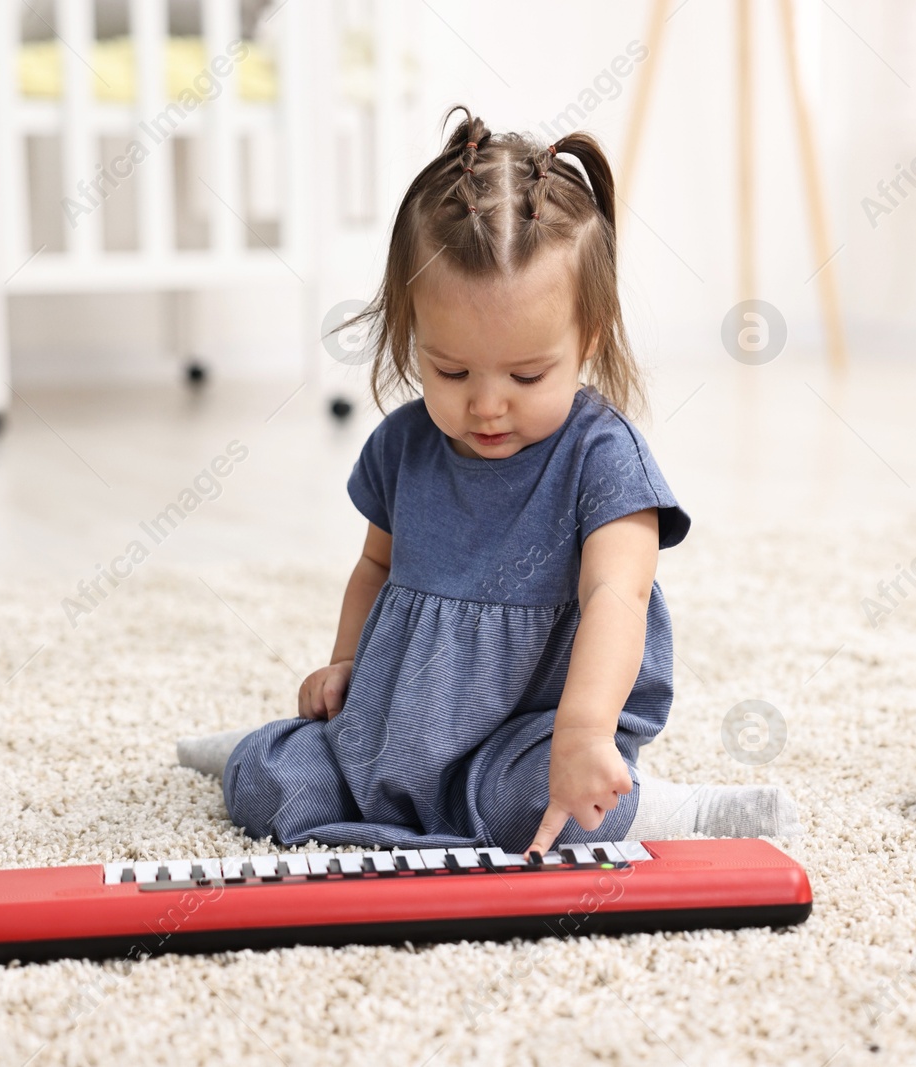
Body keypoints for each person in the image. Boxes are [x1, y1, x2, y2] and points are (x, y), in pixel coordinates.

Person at [178, 108, 797, 853]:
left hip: (531, 730)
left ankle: (685, 810)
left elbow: (618, 597)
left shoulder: (602, 459)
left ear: (587, 340)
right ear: (413, 336)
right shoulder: (407, 445)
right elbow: (375, 563)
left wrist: (582, 732)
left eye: (527, 374)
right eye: (451, 370)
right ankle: (262, 747)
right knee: (273, 784)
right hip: (395, 724)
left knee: (551, 809)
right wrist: (344, 664)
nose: (486, 403)